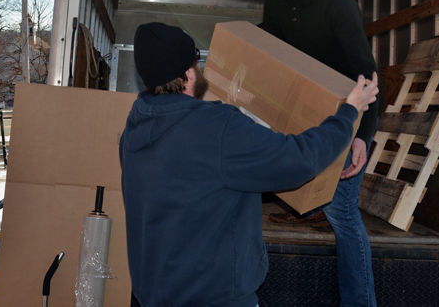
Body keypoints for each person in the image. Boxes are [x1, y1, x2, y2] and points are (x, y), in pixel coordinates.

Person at [120, 21, 379, 307]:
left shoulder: (135, 127)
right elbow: (299, 160)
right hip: (213, 298)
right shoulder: (216, 128)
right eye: (196, 61)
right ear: (187, 74)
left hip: (152, 294)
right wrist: (348, 114)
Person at [262, 0, 382, 307]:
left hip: (346, 120)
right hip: (305, 123)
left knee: (342, 213)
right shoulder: (275, 2)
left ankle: (361, 303)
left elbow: (368, 72)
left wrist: (363, 135)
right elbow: (276, 59)